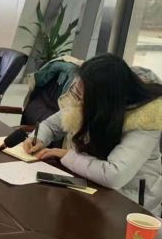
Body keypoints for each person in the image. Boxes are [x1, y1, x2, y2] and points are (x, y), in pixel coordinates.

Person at [23, 54, 162, 214]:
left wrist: (67, 155)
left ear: (104, 101)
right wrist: (38, 138)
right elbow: (51, 125)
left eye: (83, 98)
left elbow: (114, 175)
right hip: (90, 188)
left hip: (130, 208)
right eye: (77, 93)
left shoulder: (147, 120)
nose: (78, 102)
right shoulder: (86, 97)